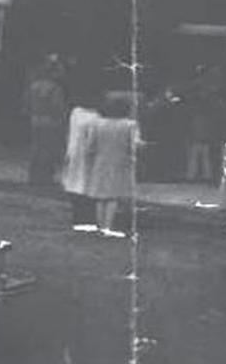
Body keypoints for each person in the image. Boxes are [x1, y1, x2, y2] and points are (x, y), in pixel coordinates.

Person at [61, 93, 139, 238]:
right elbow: (133, 146)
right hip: (119, 163)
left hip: (99, 162)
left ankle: (100, 224)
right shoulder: (129, 125)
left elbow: (90, 146)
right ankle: (107, 226)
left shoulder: (96, 123)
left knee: (100, 196)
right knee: (113, 196)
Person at [23, 56, 68, 187]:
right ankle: (46, 177)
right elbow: (57, 106)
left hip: (35, 119)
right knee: (49, 149)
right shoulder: (55, 88)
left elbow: (26, 104)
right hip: (51, 121)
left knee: (36, 149)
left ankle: (33, 176)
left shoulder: (33, 86)